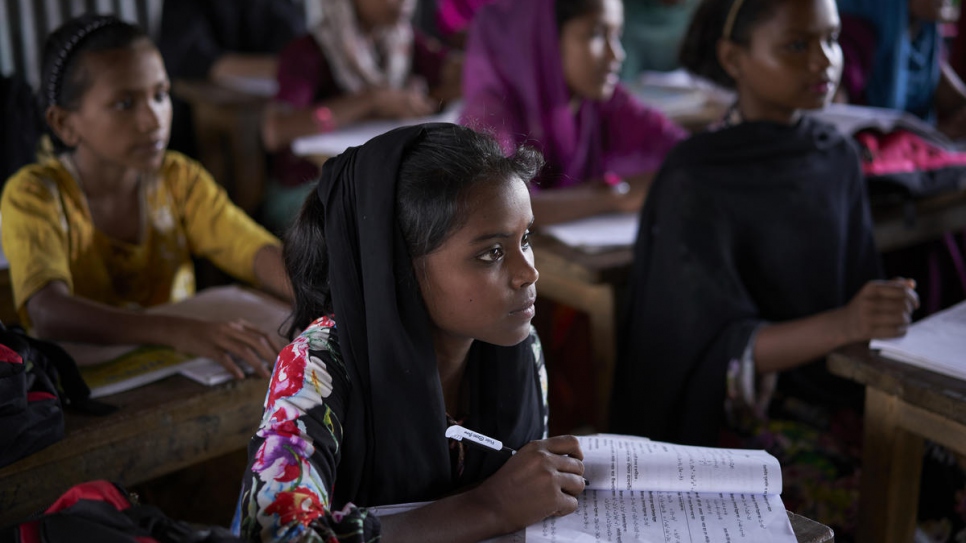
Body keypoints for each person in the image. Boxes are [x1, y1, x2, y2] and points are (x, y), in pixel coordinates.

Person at [608, 0, 918, 535]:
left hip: (837, 388)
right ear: (733, 58)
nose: (824, 62)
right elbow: (708, 353)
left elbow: (857, 300)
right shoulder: (696, 176)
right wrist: (849, 322)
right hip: (740, 415)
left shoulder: (837, 157)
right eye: (798, 45)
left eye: (833, 39)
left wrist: (879, 312)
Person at [239, 123, 586, 542]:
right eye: (492, 252)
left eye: (525, 239)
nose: (529, 272)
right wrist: (489, 507)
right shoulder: (317, 364)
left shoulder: (517, 344)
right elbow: (275, 536)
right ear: (399, 269)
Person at [0, 14, 293, 379]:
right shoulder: (34, 195)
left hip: (180, 373)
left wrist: (320, 297)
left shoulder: (178, 179)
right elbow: (48, 310)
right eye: (125, 104)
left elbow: (251, 249)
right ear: (64, 124)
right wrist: (178, 331)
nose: (153, 120)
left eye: (160, 95)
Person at [459, 0, 687, 226]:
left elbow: (682, 149)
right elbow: (499, 204)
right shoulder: (488, 114)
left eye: (617, 35)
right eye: (596, 35)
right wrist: (613, 197)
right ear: (545, 40)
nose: (616, 55)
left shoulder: (599, 101)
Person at [259, 0, 462, 232]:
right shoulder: (307, 51)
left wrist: (424, 99)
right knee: (394, 219)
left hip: (377, 181)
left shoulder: (402, 42)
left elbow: (460, 74)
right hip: (309, 188)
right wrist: (372, 100)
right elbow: (274, 131)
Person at [158, 0, 308, 156]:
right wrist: (282, 67)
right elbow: (194, 57)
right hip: (193, 129)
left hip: (274, 118)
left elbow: (296, 40)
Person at [836, 0, 966, 139]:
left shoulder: (923, 38)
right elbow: (832, 125)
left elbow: (955, 100)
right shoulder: (854, 38)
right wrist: (932, 136)